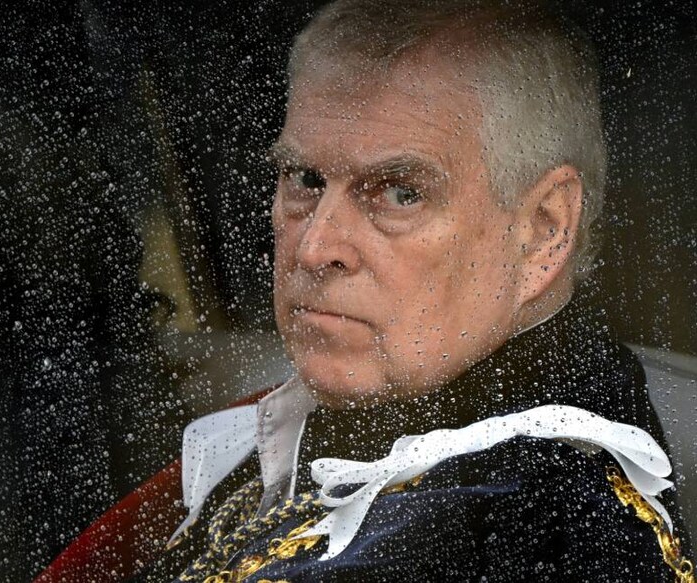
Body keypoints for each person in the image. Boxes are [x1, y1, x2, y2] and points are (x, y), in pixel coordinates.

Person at [37, 1, 694, 581]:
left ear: (543, 229)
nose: (314, 246)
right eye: (303, 178)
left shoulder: (545, 524)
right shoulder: (350, 420)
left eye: (399, 192)